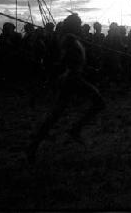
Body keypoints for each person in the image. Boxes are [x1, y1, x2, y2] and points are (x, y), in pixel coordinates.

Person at [26, 14, 105, 163]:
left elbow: (76, 59)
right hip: (72, 79)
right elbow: (65, 59)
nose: (81, 26)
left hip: (74, 78)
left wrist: (87, 68)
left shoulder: (73, 39)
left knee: (56, 114)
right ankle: (74, 130)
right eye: (79, 24)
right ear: (73, 26)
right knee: (98, 103)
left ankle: (34, 145)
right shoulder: (68, 39)